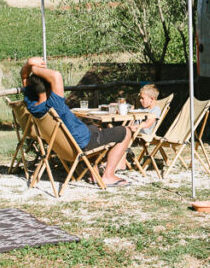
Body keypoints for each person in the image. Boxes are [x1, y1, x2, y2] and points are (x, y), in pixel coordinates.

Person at [20, 57, 131, 187]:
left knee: (94, 128)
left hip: (64, 147)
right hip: (81, 144)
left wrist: (29, 65)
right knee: (126, 132)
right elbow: (56, 76)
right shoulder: (55, 104)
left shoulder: (32, 105)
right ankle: (108, 176)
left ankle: (93, 173)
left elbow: (24, 76)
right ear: (50, 87)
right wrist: (33, 66)